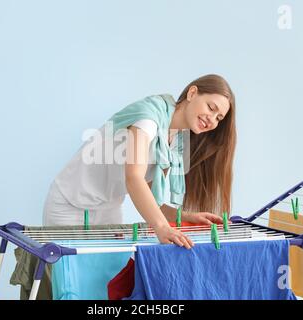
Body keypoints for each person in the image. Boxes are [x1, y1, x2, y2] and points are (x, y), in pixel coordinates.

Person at [43, 74, 236, 249]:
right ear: (192, 93)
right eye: (211, 108)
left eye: (218, 118)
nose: (211, 120)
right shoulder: (148, 117)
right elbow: (134, 178)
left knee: (107, 282)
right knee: (65, 280)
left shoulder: (179, 140)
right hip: (69, 203)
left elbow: (151, 193)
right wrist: (161, 226)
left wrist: (182, 217)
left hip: (108, 208)